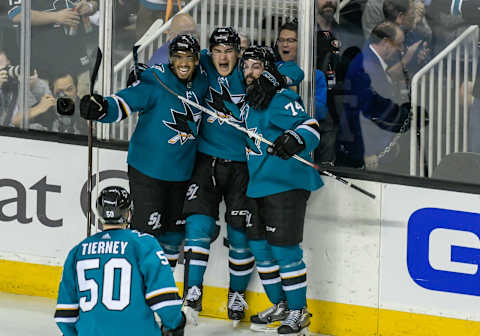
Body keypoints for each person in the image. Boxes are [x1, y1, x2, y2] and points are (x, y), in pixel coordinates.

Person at [80, 34, 208, 269]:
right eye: (178, 57)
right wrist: (101, 108)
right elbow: (123, 104)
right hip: (148, 171)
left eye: (189, 57)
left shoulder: (202, 80)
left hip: (182, 173)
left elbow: (224, 56)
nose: (183, 63)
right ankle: (137, 290)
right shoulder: (155, 81)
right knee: (146, 234)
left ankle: (161, 286)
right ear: (170, 59)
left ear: (197, 60)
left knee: (173, 236)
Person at [239, 46, 322, 335]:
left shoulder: (279, 96)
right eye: (246, 66)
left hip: (286, 184)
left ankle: (299, 311)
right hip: (258, 183)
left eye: (256, 66)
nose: (250, 72)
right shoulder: (248, 101)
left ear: (268, 69)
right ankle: (281, 305)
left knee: (285, 251)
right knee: (260, 248)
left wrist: (295, 139)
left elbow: (310, 127)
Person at [182, 27, 253, 327]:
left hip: (242, 165)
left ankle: (236, 295)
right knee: (198, 224)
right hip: (206, 160)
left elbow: (294, 72)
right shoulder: (202, 67)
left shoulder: (250, 70)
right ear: (210, 52)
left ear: (238, 52)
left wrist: (271, 71)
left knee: (240, 234)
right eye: (217, 50)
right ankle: (193, 291)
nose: (223, 56)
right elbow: (172, 62)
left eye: (229, 50)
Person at [54, 186, 186, 336]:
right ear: (129, 213)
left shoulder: (77, 251)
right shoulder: (144, 244)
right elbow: (165, 301)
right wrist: (177, 323)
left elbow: (64, 316)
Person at [336, 22, 413, 171]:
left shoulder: (371, 61)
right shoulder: (367, 67)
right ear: (385, 43)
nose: (401, 50)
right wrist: (368, 151)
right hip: (362, 150)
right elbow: (361, 113)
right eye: (399, 45)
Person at [8, 0, 97, 98]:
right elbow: (15, 14)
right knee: (50, 107)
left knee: (86, 104)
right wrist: (56, 17)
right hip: (44, 61)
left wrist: (89, 6)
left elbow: (95, 4)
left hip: (78, 54)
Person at [315, 0, 364, 165]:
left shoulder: (349, 34)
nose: (329, 1)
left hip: (340, 112)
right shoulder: (302, 33)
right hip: (308, 106)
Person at [50, 70, 88, 135]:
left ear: (76, 89)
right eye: (59, 92)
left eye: (69, 89)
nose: (65, 95)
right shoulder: (47, 112)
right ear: (53, 93)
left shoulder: (87, 111)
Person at [275, 19, 305, 91]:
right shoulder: (270, 68)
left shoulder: (313, 74)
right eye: (281, 40)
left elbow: (317, 102)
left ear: (301, 44)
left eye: (290, 40)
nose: (285, 44)